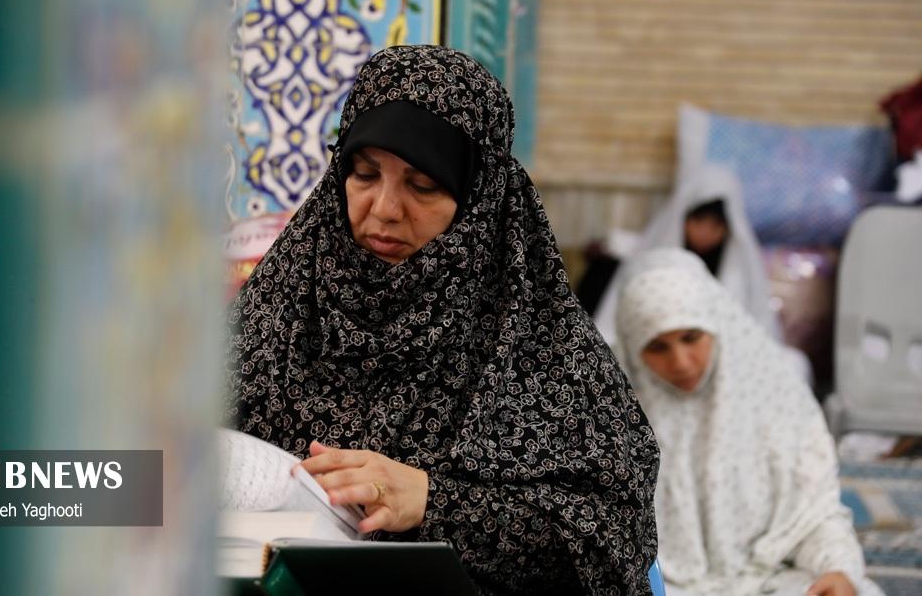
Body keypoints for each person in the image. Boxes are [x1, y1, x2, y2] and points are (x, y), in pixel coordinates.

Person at [225, 44, 660, 594]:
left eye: (423, 185)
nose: (384, 208)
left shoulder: (540, 352)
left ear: (480, 198)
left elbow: (616, 542)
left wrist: (434, 502)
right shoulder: (279, 310)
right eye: (364, 174)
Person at [614, 248, 882, 596]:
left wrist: (838, 568)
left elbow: (814, 513)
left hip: (766, 579)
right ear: (633, 348)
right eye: (657, 347)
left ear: (715, 323)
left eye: (691, 338)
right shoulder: (611, 410)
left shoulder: (774, 393)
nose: (681, 362)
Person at [592, 164, 778, 344]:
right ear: (683, 218)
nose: (705, 232)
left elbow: (754, 326)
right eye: (699, 221)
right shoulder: (657, 261)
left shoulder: (740, 270)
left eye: (716, 225)